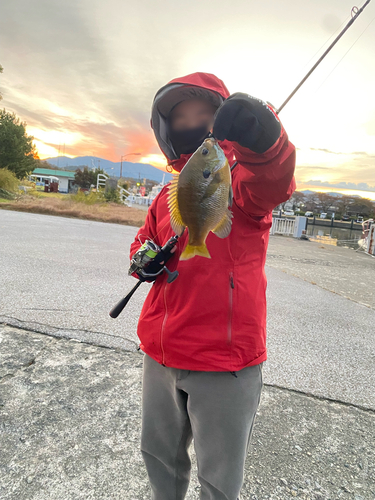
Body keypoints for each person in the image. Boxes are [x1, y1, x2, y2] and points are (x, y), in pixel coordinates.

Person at [129, 72, 296, 500]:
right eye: (181, 116)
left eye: (204, 113)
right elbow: (143, 241)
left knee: (220, 480)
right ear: (167, 129)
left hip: (226, 363)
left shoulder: (237, 182)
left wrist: (266, 141)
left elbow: (272, 180)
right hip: (160, 353)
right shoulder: (168, 191)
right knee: (159, 457)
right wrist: (141, 260)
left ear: (221, 119)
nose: (192, 122)